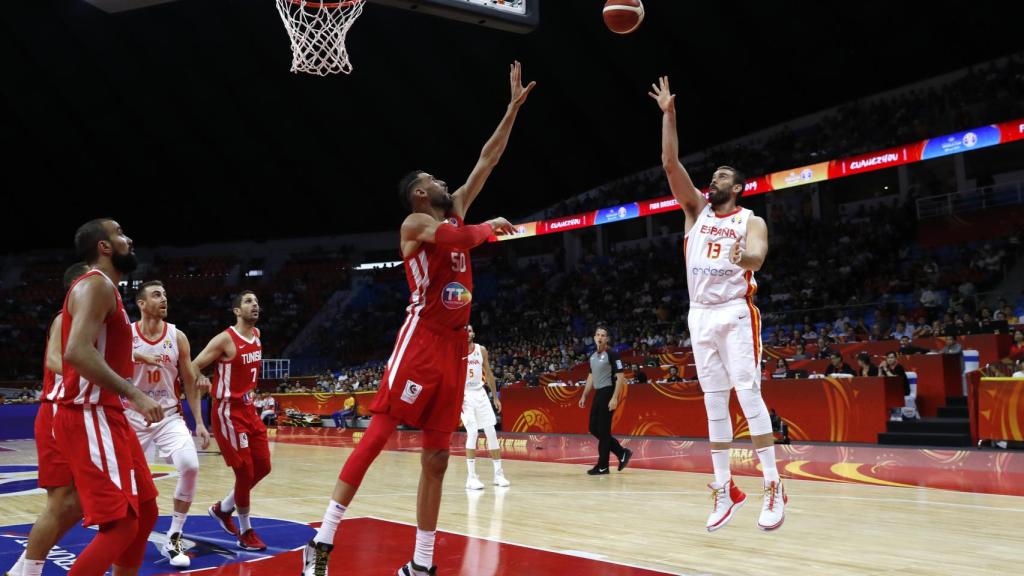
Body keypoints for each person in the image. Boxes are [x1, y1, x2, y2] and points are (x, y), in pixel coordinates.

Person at [301, 61, 533, 576]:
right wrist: (490, 227)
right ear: (421, 193)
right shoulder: (415, 223)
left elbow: (488, 159)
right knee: (378, 435)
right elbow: (458, 238)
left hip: (455, 345)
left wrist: (512, 109)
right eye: (434, 178)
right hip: (421, 339)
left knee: (438, 457)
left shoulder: (455, 208)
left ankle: (421, 564)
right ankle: (322, 539)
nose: (445, 181)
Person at [652, 75, 785, 532]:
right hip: (700, 315)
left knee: (747, 394)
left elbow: (757, 258)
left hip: (735, 311)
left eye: (723, 176)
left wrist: (739, 256)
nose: (714, 179)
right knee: (713, 403)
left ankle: (773, 483)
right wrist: (669, 115)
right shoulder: (695, 211)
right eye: (713, 176)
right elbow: (670, 163)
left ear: (740, 187)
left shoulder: (751, 219)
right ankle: (725, 488)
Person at [52, 219, 163, 576]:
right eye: (120, 234)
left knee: (146, 510)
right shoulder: (96, 285)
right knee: (122, 524)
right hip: (89, 412)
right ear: (104, 246)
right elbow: (76, 351)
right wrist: (135, 393)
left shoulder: (108, 289)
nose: (128, 239)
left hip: (108, 412)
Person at [4, 263, 88, 576]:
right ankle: (28, 572)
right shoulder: (65, 317)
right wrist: (94, 375)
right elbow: (54, 360)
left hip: (77, 415)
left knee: (79, 504)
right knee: (60, 503)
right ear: (78, 285)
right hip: (56, 412)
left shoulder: (88, 320)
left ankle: (21, 568)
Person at [127, 281, 211, 568]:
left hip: (168, 416)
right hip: (132, 416)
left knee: (190, 466)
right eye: (156, 295)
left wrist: (200, 422)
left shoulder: (177, 337)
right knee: (128, 482)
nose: (163, 299)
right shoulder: (126, 335)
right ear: (141, 303)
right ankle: (123, 534)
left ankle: (174, 535)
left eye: (164, 295)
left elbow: (189, 381)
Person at [193, 291, 272, 551]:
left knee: (263, 466)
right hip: (228, 412)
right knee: (245, 471)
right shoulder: (225, 339)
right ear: (237, 311)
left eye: (257, 301)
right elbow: (194, 365)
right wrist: (201, 377)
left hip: (249, 409)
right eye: (248, 301)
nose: (255, 305)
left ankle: (223, 508)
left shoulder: (257, 334)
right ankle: (245, 532)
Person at [461, 325, 510, 490]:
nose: (467, 333)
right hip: (464, 395)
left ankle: (498, 474)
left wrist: (495, 397)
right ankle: (471, 477)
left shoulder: (481, 350)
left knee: (491, 432)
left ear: (473, 333)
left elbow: (488, 374)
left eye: (469, 330)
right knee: (473, 432)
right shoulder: (455, 351)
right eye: (464, 330)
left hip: (480, 393)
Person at [577, 326, 631, 475]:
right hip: (598, 393)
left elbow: (620, 377)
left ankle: (603, 466)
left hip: (608, 392)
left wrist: (614, 398)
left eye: (603, 335)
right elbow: (591, 377)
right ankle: (621, 452)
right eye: (598, 335)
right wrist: (584, 395)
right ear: (594, 338)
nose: (600, 337)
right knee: (593, 428)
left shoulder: (612, 354)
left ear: (607, 339)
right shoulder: (593, 356)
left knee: (604, 430)